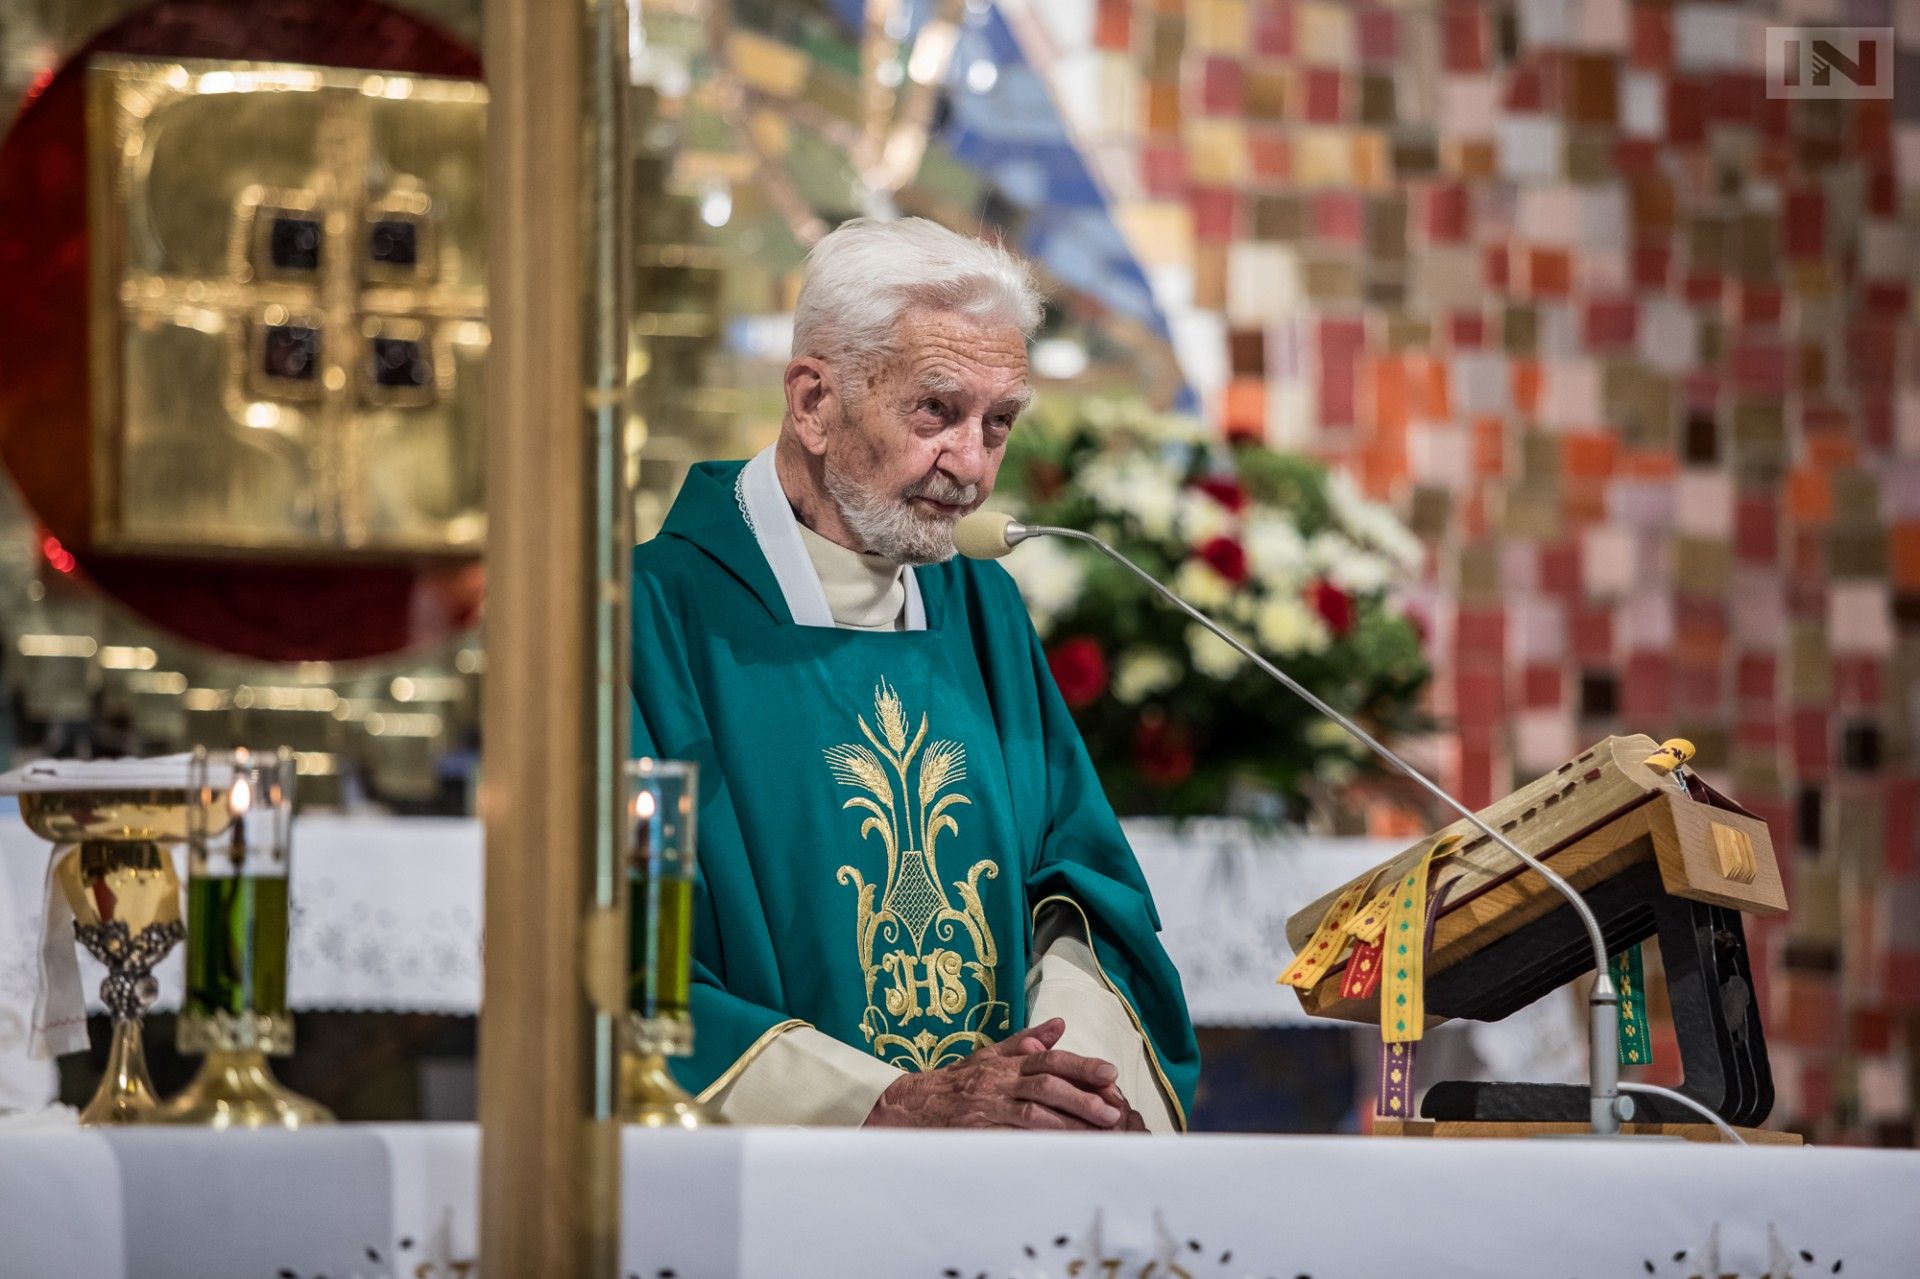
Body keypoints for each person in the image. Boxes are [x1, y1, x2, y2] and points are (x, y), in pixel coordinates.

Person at [629, 217, 1198, 1131]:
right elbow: (623, 960)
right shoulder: (648, 622)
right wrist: (885, 1106)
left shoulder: (984, 612)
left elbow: (1087, 893)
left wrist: (1065, 1085)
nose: (971, 465)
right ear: (813, 401)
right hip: (773, 1208)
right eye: (936, 410)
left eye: (999, 422)